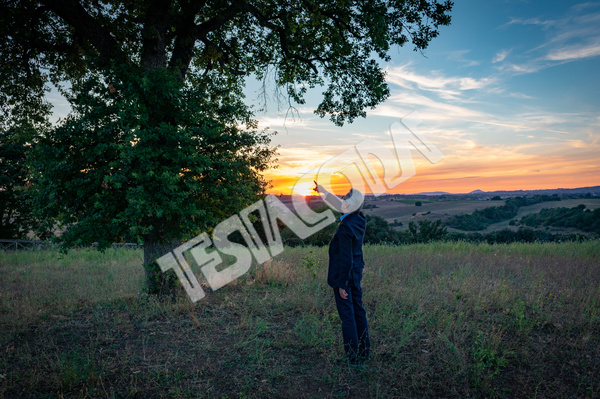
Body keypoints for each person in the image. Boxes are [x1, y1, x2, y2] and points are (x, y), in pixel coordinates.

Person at [313, 182, 370, 365]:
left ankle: (353, 358)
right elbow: (343, 206)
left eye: (345, 198)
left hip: (346, 276)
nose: (342, 199)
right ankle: (364, 351)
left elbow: (345, 258)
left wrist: (342, 284)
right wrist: (323, 192)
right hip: (356, 273)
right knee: (358, 311)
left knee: (348, 316)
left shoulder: (346, 227)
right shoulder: (359, 219)